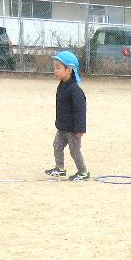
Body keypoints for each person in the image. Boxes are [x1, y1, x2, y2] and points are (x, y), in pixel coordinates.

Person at [44, 50, 89, 181]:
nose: (55, 70)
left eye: (58, 67)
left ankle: (83, 172)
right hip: (62, 127)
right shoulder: (62, 85)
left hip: (73, 129)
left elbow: (80, 110)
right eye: (55, 67)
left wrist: (80, 128)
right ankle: (60, 168)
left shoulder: (75, 89)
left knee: (74, 151)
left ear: (69, 70)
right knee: (56, 145)